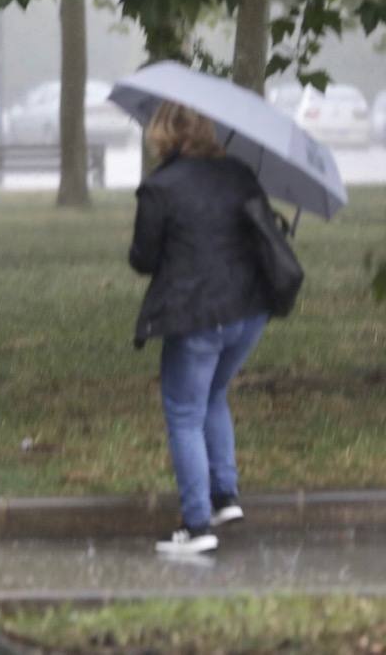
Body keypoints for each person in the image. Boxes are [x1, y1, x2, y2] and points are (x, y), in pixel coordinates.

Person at [128, 101, 272, 556]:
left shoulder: (160, 187)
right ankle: (225, 496)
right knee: (213, 394)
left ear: (162, 133)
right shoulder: (239, 174)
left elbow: (143, 259)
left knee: (184, 412)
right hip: (250, 311)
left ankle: (195, 525)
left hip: (197, 317)